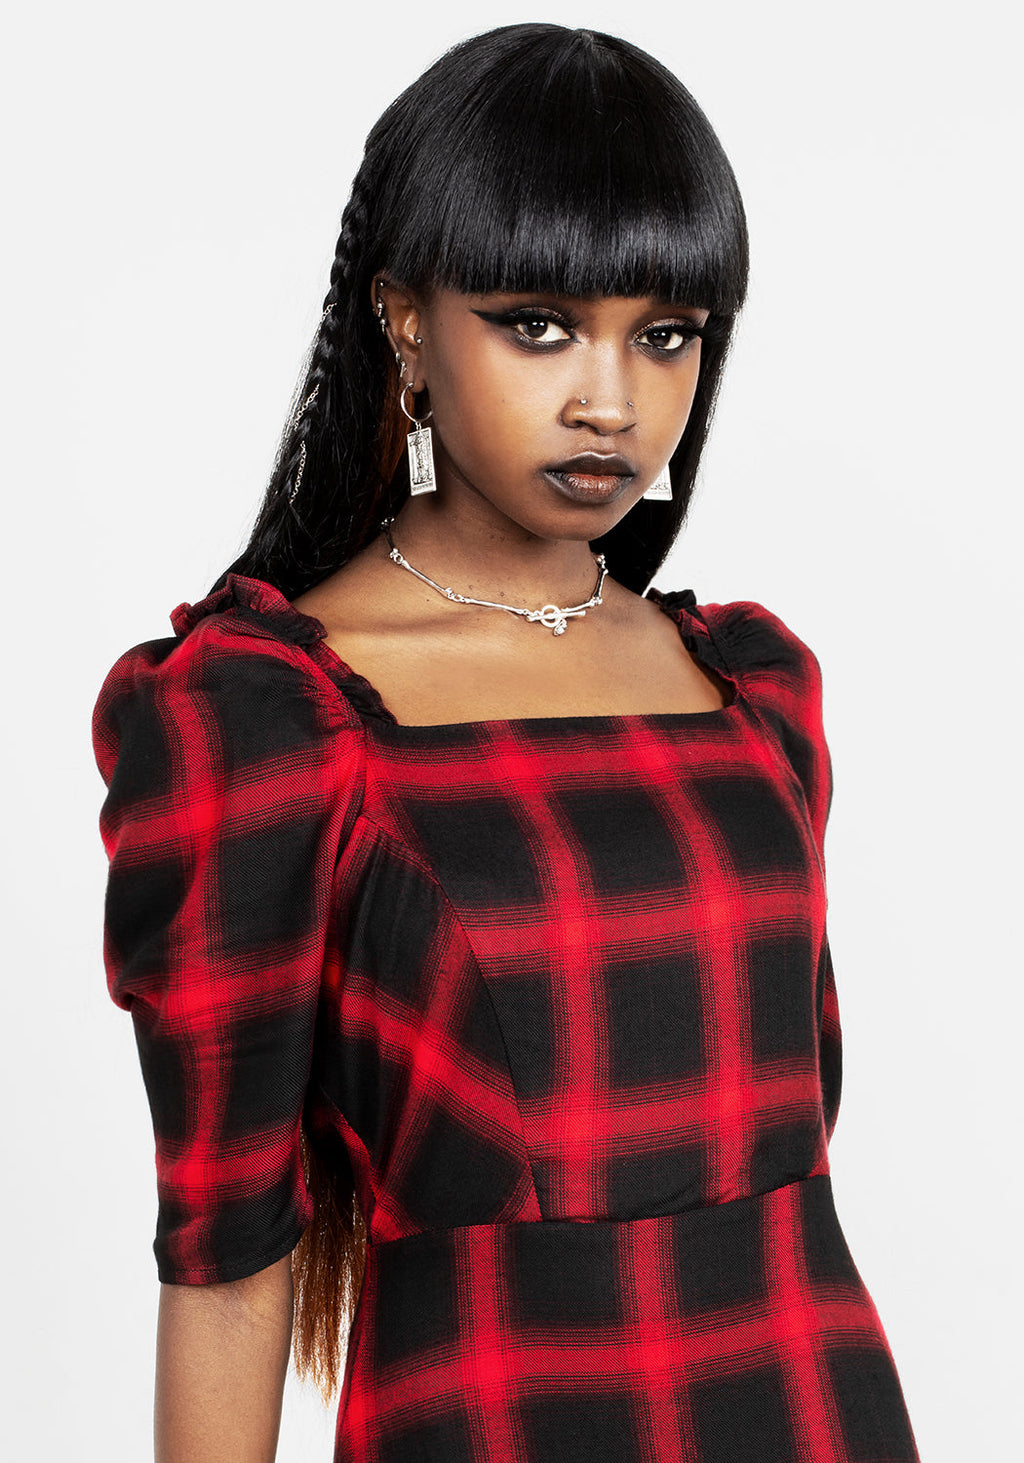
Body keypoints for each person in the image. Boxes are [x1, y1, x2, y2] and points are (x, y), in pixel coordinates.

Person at [91, 22, 921, 1463]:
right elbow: (226, 1251)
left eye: (665, 333)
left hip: (815, 1413)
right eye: (539, 324)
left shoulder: (756, 693)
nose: (612, 401)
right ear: (407, 322)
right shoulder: (267, 718)